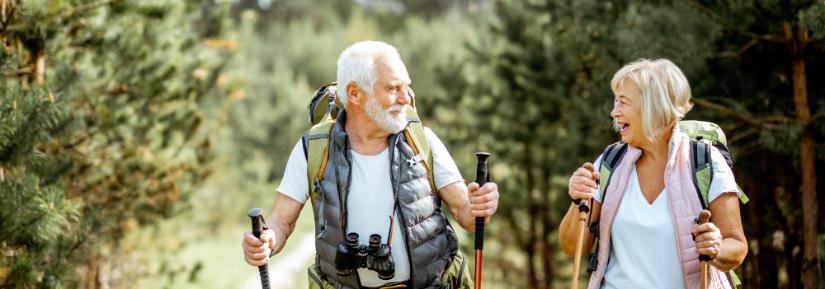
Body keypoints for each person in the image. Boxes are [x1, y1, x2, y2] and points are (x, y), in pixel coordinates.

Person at [242, 40, 499, 289]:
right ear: (354, 93)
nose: (405, 99)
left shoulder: (422, 140)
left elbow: (466, 214)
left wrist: (480, 207)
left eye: (406, 88)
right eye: (392, 89)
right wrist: (266, 241)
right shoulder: (313, 149)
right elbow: (281, 222)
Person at [558, 59, 747, 289]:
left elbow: (736, 246)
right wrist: (578, 200)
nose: (613, 112)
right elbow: (571, 246)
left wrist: (716, 247)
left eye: (623, 102)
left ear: (653, 107)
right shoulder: (609, 162)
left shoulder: (705, 161)